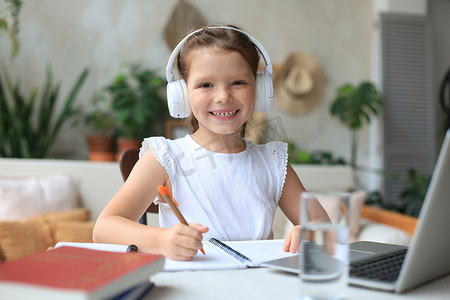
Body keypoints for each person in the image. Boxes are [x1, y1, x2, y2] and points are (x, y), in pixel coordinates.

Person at [93, 25, 329, 261]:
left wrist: (311, 231)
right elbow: (104, 228)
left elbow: (323, 225)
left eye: (238, 82)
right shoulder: (164, 158)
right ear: (182, 95)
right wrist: (162, 241)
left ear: (259, 90)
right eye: (205, 85)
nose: (223, 96)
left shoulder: (273, 162)